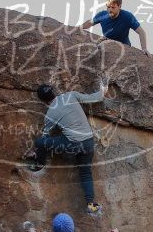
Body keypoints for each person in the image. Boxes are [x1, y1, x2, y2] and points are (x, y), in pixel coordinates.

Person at [27, 79, 107, 216]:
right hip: (88, 142)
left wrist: (37, 152)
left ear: (43, 101)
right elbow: (97, 97)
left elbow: (45, 138)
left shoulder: (50, 114)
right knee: (86, 173)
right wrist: (103, 88)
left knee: (40, 142)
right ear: (54, 91)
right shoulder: (71, 95)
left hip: (73, 145)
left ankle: (39, 164)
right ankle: (91, 204)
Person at [80, 0, 150, 56]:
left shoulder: (127, 16)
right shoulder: (102, 15)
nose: (110, 10)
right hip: (107, 45)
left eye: (113, 7)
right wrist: (78, 28)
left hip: (124, 48)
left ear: (119, 6)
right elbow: (89, 23)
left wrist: (144, 48)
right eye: (108, 7)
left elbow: (141, 32)